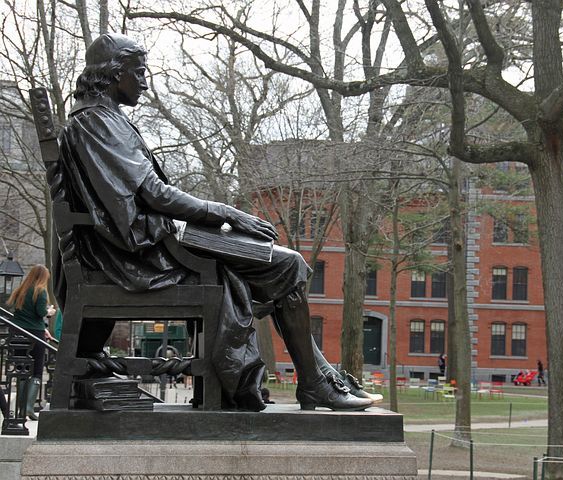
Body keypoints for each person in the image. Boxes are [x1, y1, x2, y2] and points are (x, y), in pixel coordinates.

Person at [56, 33, 374, 412]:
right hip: (139, 252)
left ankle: (320, 378)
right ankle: (316, 383)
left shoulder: (98, 120)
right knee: (287, 264)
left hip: (144, 243)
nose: (144, 82)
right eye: (138, 72)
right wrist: (227, 213)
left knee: (280, 265)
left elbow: (148, 195)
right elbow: (155, 194)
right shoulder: (97, 122)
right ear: (112, 73)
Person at [7, 265, 57, 420]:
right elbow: (40, 312)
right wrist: (50, 312)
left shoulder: (20, 290)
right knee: (36, 371)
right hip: (34, 335)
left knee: (22, 370)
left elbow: (23, 314)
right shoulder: (40, 291)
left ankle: (20, 408)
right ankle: (29, 407)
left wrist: (44, 328)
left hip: (17, 333)